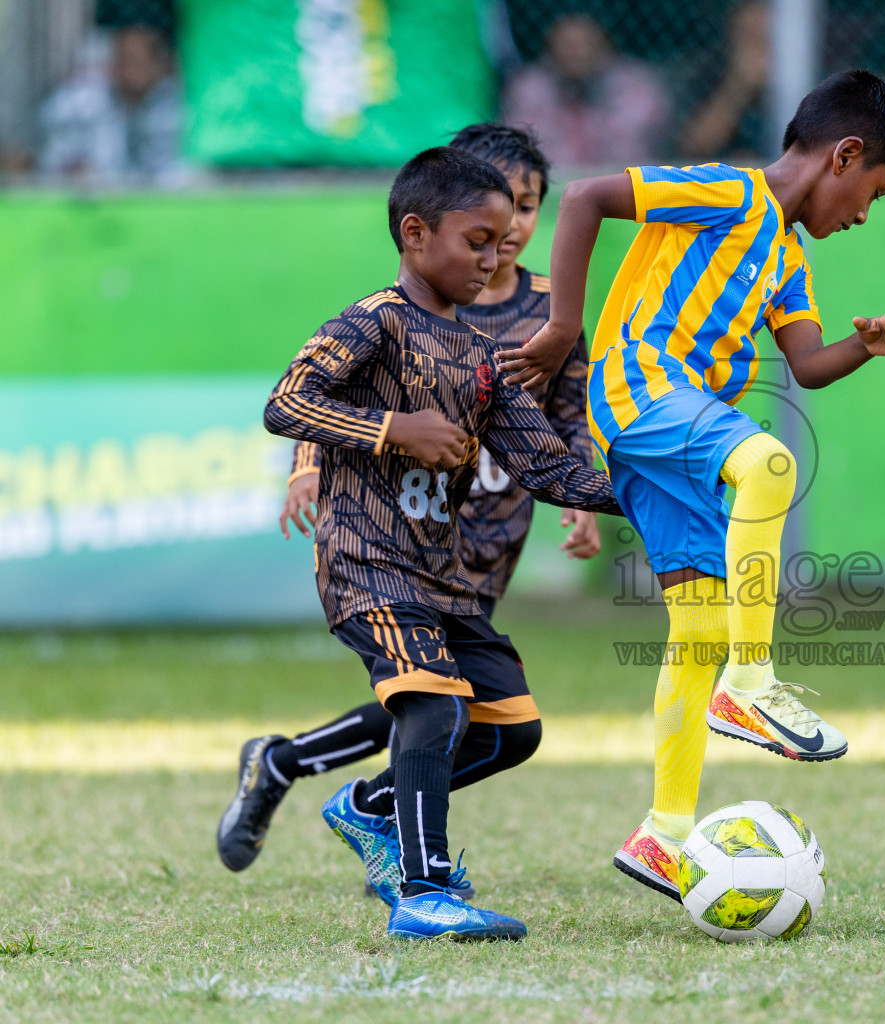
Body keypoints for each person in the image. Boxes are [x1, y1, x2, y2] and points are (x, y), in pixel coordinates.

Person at [499, 69, 885, 902]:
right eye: (872, 192)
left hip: (673, 438)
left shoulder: (791, 260)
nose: (865, 215)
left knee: (695, 631)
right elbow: (587, 197)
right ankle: (753, 685)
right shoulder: (725, 192)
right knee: (770, 462)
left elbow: (805, 364)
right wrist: (562, 326)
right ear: (843, 155)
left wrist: (860, 345)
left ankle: (661, 835)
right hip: (640, 391)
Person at [216, 125, 600, 902]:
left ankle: (361, 802)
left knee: (498, 722)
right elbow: (292, 400)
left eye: (516, 222)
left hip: (458, 557)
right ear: (419, 231)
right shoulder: (381, 317)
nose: (498, 250)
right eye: (481, 235)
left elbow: (554, 452)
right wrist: (373, 438)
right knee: (429, 700)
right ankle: (423, 887)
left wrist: (670, 485)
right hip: (371, 555)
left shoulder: (513, 344)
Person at [502, 14, 665, 168]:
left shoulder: (634, 84)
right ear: (549, 50)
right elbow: (521, 143)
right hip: (554, 178)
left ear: (605, 47)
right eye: (566, 45)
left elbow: (635, 143)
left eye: (584, 44)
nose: (575, 53)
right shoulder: (530, 87)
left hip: (619, 176)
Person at [39, 23, 185, 186]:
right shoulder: (81, 101)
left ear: (159, 67)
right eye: (124, 60)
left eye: (139, 62)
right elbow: (54, 157)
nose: (130, 70)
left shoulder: (176, 103)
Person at [676, 1, 771, 162]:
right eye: (750, 39)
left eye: (766, 41)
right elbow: (692, 147)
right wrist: (739, 86)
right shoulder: (706, 75)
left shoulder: (811, 77)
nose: (758, 52)